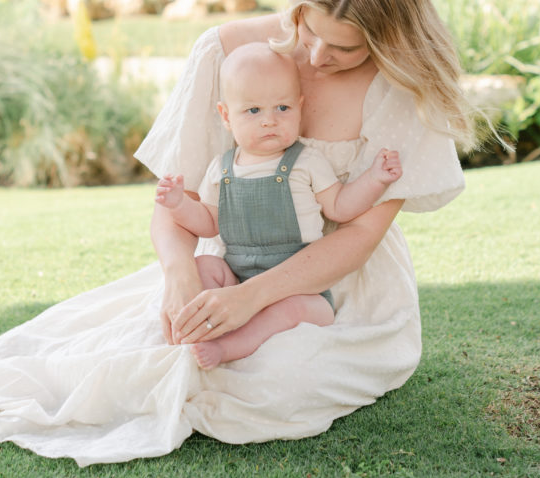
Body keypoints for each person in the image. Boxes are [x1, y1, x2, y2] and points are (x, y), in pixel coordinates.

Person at [0, 0, 473, 466]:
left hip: (338, 286)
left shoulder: (402, 88)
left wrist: (252, 299)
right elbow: (179, 200)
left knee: (277, 381)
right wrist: (180, 276)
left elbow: (357, 236)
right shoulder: (226, 52)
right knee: (152, 348)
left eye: (345, 47)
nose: (315, 54)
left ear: (387, 37)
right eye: (307, 28)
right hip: (232, 261)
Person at [155, 41, 402, 369]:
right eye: (254, 111)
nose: (269, 121)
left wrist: (375, 179)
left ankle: (231, 346)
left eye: (282, 108)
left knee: (295, 309)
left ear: (300, 107)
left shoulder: (306, 162)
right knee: (204, 267)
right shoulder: (222, 169)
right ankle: (202, 325)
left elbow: (341, 208)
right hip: (236, 278)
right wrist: (177, 205)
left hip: (297, 286)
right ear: (226, 116)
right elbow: (208, 223)